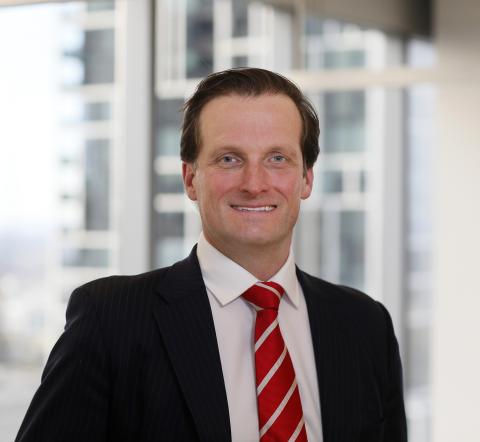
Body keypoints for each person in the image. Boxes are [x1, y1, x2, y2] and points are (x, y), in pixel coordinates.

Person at [16, 68, 407, 442]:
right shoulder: (110, 321)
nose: (254, 184)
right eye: (229, 159)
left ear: (306, 178)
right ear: (190, 178)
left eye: (277, 158)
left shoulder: (365, 326)